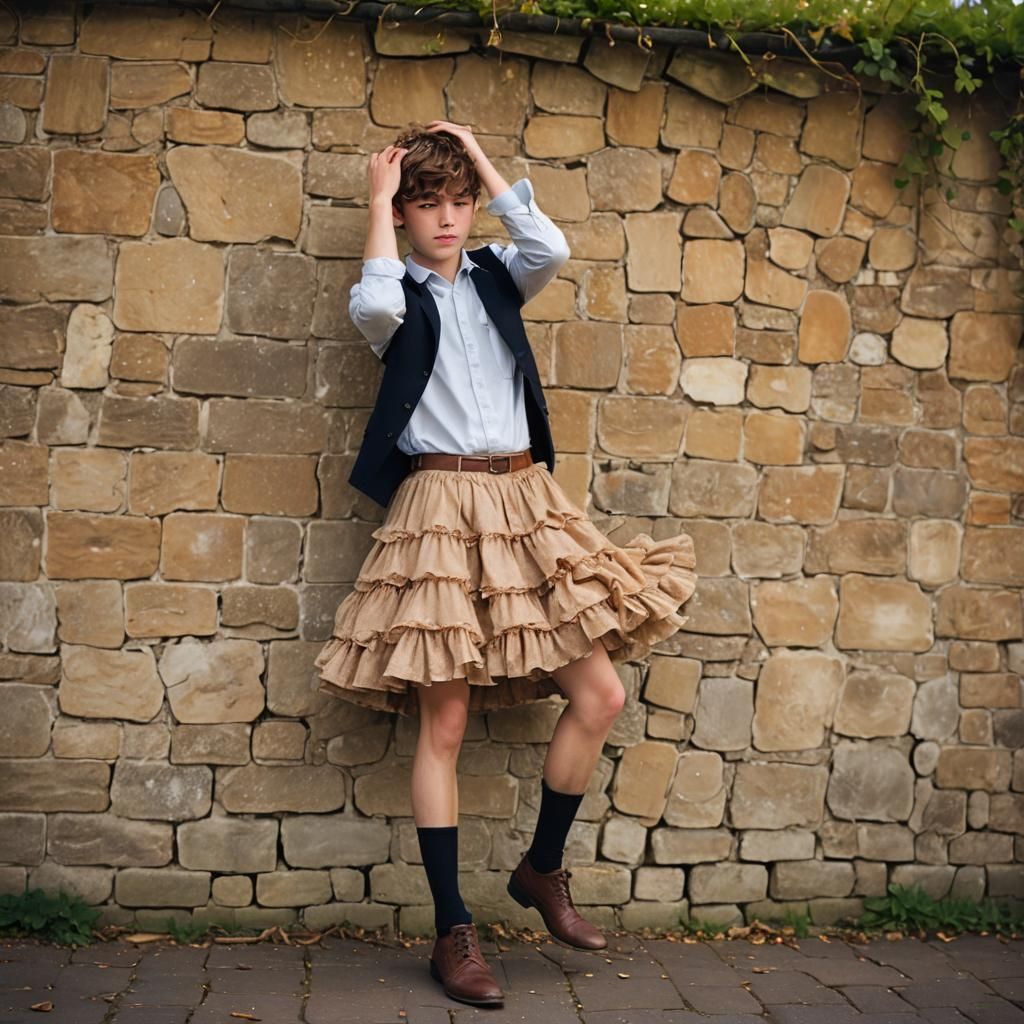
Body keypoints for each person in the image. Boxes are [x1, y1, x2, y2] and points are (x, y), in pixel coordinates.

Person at [314, 120, 698, 1009]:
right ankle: (454, 930)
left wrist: (481, 161)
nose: (446, 220)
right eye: (426, 205)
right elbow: (373, 305)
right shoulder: (394, 297)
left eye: (458, 204)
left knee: (601, 695)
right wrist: (377, 199)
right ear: (405, 216)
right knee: (442, 727)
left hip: (527, 504)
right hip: (442, 511)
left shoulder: (498, 273)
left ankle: (541, 869)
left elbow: (549, 244)